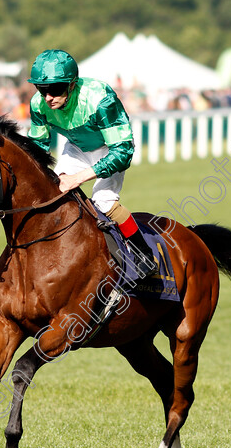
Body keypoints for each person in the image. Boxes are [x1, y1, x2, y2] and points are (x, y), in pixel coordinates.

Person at [26, 49, 157, 277]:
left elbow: (123, 152)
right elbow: (38, 147)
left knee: (104, 201)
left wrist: (78, 178)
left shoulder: (100, 97)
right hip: (76, 148)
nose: (48, 97)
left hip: (111, 148)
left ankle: (143, 253)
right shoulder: (38, 104)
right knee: (51, 193)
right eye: (42, 89)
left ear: (72, 84)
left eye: (55, 89)